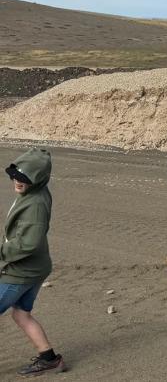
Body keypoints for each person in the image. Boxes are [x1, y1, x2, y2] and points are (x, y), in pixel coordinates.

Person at [1, 148, 65, 376]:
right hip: (36, 269)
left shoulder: (35, 205)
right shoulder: (36, 192)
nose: (18, 181)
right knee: (21, 314)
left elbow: (28, 244)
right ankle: (49, 359)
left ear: (37, 179)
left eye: (25, 177)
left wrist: (1, 252)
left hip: (21, 272)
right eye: (16, 175)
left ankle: (49, 360)